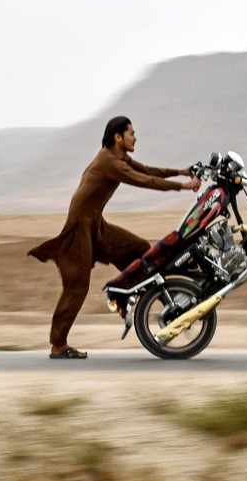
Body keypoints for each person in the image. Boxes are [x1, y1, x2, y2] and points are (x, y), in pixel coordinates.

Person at [28, 116, 201, 359]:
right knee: (77, 287)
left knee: (139, 247)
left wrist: (181, 172)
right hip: (80, 228)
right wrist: (183, 187)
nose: (135, 137)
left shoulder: (119, 157)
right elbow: (145, 180)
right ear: (118, 137)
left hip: (96, 225)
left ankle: (141, 292)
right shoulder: (110, 162)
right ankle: (58, 344)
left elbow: (148, 170)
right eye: (131, 133)